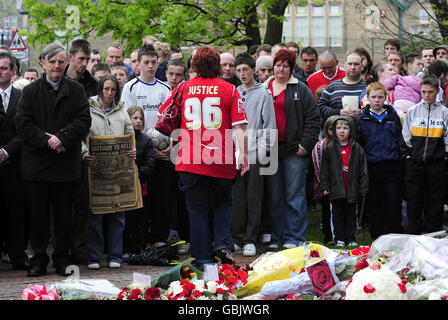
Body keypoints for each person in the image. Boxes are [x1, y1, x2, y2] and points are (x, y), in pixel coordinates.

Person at [159, 46, 249, 269]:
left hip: (189, 158)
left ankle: (203, 259)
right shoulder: (229, 89)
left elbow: (165, 116)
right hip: (220, 157)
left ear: (194, 65)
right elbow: (241, 126)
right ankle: (222, 243)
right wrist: (243, 153)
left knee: (197, 210)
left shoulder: (184, 88)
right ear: (217, 64)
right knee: (223, 203)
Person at [15, 43, 92, 277]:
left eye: (60, 61)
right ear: (43, 63)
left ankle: (62, 258)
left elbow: (83, 120)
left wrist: (63, 138)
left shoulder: (76, 90)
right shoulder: (29, 92)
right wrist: (46, 140)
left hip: (65, 165)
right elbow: (23, 124)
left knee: (64, 216)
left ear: (65, 63)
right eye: (52, 62)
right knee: (37, 216)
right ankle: (38, 258)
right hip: (37, 166)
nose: (57, 66)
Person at [264, 48, 321, 249]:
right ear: (273, 67)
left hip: (294, 151)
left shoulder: (301, 88)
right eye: (278, 65)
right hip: (270, 150)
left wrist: (305, 145)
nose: (281, 69)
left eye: (285, 66)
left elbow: (313, 119)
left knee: (294, 195)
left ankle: (294, 237)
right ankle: (276, 237)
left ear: (291, 68)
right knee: (274, 195)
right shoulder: (265, 88)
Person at [121, 44, 174, 248]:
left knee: (162, 197)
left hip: (162, 152)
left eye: (154, 62)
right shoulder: (130, 87)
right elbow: (127, 121)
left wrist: (170, 145)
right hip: (142, 153)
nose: (151, 66)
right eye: (146, 62)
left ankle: (160, 239)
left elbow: (171, 119)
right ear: (139, 64)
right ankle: (139, 241)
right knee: (143, 199)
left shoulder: (165, 88)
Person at [83, 75, 135, 270]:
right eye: (106, 89)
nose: (109, 93)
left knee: (117, 214)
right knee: (95, 214)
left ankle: (115, 255)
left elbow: (130, 133)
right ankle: (94, 256)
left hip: (118, 170)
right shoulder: (88, 108)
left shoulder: (122, 110)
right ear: (100, 89)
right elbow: (81, 135)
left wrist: (132, 148)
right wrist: (84, 153)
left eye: (113, 90)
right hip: (94, 168)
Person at [232, 53, 276, 257]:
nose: (242, 74)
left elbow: (269, 126)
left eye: (245, 70)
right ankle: (237, 238)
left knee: (254, 197)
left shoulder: (264, 94)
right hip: (236, 153)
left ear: (253, 71)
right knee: (237, 197)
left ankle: (251, 238)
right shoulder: (234, 93)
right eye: (238, 70)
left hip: (256, 153)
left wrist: (261, 153)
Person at [402, 75, 448, 234]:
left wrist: (444, 158)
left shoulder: (444, 113)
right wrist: (410, 155)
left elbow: (447, 138)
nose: (427, 95)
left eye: (430, 92)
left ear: (437, 91)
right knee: (414, 199)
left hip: (437, 163)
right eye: (424, 92)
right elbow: (406, 136)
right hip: (415, 163)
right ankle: (414, 232)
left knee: (435, 199)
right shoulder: (413, 111)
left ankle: (433, 232)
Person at [357, 82, 403, 240]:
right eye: (373, 97)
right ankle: (377, 235)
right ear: (368, 98)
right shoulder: (362, 119)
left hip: (392, 165)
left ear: (386, 98)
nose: (377, 100)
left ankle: (395, 233)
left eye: (380, 97)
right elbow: (360, 142)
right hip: (372, 166)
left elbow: (399, 138)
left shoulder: (392, 116)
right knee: (375, 202)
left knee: (393, 200)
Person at [320, 116, 369, 247]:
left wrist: (364, 187)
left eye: (345, 128)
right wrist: (325, 186)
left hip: (352, 189)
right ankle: (339, 238)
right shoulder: (329, 149)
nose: (342, 131)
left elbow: (363, 169)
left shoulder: (357, 148)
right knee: (337, 215)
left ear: (351, 130)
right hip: (336, 190)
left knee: (351, 215)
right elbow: (324, 170)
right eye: (339, 128)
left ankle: (351, 238)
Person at [0, 52, 29, 271]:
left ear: (12, 71)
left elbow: (26, 129)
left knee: (17, 212)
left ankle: (17, 254)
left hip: (15, 164)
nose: (0, 71)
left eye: (4, 68)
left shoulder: (22, 97)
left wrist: (7, 151)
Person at [123, 106, 155, 258]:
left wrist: (137, 176)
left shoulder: (146, 140)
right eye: (135, 118)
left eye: (141, 118)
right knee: (126, 219)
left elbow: (150, 163)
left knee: (140, 219)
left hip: (141, 186)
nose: (138, 121)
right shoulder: (122, 138)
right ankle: (125, 249)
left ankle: (138, 249)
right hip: (124, 186)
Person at [311, 115, 339, 245]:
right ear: (326, 130)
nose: (335, 132)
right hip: (327, 186)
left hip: (344, 185)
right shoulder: (320, 147)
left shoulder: (350, 145)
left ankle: (343, 235)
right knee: (327, 211)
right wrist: (324, 186)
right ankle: (328, 236)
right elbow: (318, 167)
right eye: (331, 129)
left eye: (338, 128)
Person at [318, 52, 366, 122]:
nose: (353, 67)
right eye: (350, 64)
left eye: (356, 64)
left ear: (362, 67)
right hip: (337, 131)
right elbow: (320, 108)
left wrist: (362, 113)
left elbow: (378, 109)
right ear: (345, 65)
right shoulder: (332, 86)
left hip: (362, 131)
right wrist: (338, 113)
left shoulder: (368, 87)